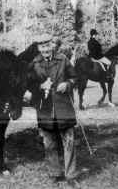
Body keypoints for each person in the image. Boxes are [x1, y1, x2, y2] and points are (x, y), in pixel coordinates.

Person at [30, 33, 82, 183]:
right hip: (45, 110)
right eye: (42, 46)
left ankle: (71, 175)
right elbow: (28, 85)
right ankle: (55, 173)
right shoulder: (34, 64)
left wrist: (68, 84)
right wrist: (39, 86)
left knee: (69, 143)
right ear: (39, 48)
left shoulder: (63, 59)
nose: (45, 49)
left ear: (52, 45)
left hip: (64, 107)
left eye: (47, 46)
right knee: (49, 144)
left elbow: (75, 77)